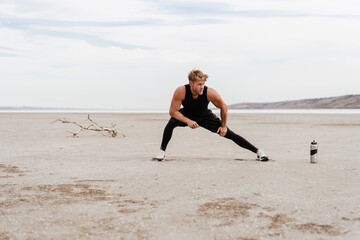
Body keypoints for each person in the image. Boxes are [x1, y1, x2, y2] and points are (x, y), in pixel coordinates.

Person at [155, 69, 268, 162]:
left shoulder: (209, 93)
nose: (202, 87)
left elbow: (223, 106)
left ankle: (258, 152)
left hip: (204, 116)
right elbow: (173, 111)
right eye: (199, 84)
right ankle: (162, 152)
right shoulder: (181, 91)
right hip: (187, 114)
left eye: (203, 84)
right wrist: (188, 121)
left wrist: (223, 126)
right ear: (191, 83)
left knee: (229, 133)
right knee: (171, 123)